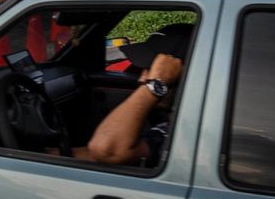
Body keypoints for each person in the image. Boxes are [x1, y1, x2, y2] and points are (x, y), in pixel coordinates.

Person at [80, 23, 193, 166]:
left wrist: (154, 86)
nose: (142, 79)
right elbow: (94, 154)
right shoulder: (173, 123)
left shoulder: (186, 132)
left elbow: (106, 149)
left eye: (154, 72)